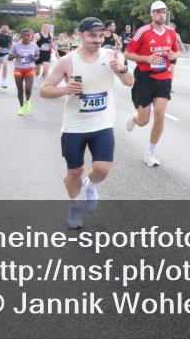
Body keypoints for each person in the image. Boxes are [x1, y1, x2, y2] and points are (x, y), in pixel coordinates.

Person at [40, 17, 134, 229]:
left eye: (101, 35)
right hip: (75, 126)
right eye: (92, 35)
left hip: (102, 124)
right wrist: (65, 89)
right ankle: (74, 206)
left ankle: (90, 186)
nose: (98, 40)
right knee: (75, 172)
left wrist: (122, 69)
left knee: (102, 169)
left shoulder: (111, 55)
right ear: (80, 35)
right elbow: (45, 90)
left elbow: (130, 82)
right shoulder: (68, 61)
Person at [123, 1, 180, 167]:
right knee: (143, 121)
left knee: (160, 115)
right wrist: (147, 59)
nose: (161, 15)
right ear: (152, 14)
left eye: (164, 12)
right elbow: (127, 53)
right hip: (144, 78)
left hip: (164, 77)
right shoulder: (143, 32)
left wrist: (172, 55)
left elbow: (176, 52)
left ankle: (149, 153)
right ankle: (134, 118)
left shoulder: (171, 32)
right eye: (158, 12)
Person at [9, 28, 41, 115]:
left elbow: (38, 56)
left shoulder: (34, 45)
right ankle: (21, 107)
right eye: (25, 35)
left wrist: (33, 58)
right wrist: (14, 56)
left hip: (30, 69)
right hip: (18, 69)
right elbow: (9, 57)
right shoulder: (16, 46)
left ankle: (27, 101)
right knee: (20, 90)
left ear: (32, 36)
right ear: (21, 36)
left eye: (29, 35)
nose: (27, 37)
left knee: (28, 88)